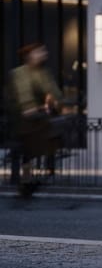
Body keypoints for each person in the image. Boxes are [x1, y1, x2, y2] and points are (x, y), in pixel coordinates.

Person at [9, 43, 63, 197]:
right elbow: (25, 100)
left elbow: (54, 93)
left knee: (45, 141)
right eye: (39, 51)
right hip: (23, 120)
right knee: (27, 149)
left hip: (39, 118)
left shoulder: (43, 72)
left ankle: (35, 178)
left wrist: (52, 102)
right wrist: (36, 108)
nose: (44, 53)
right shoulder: (20, 73)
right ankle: (25, 182)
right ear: (30, 55)